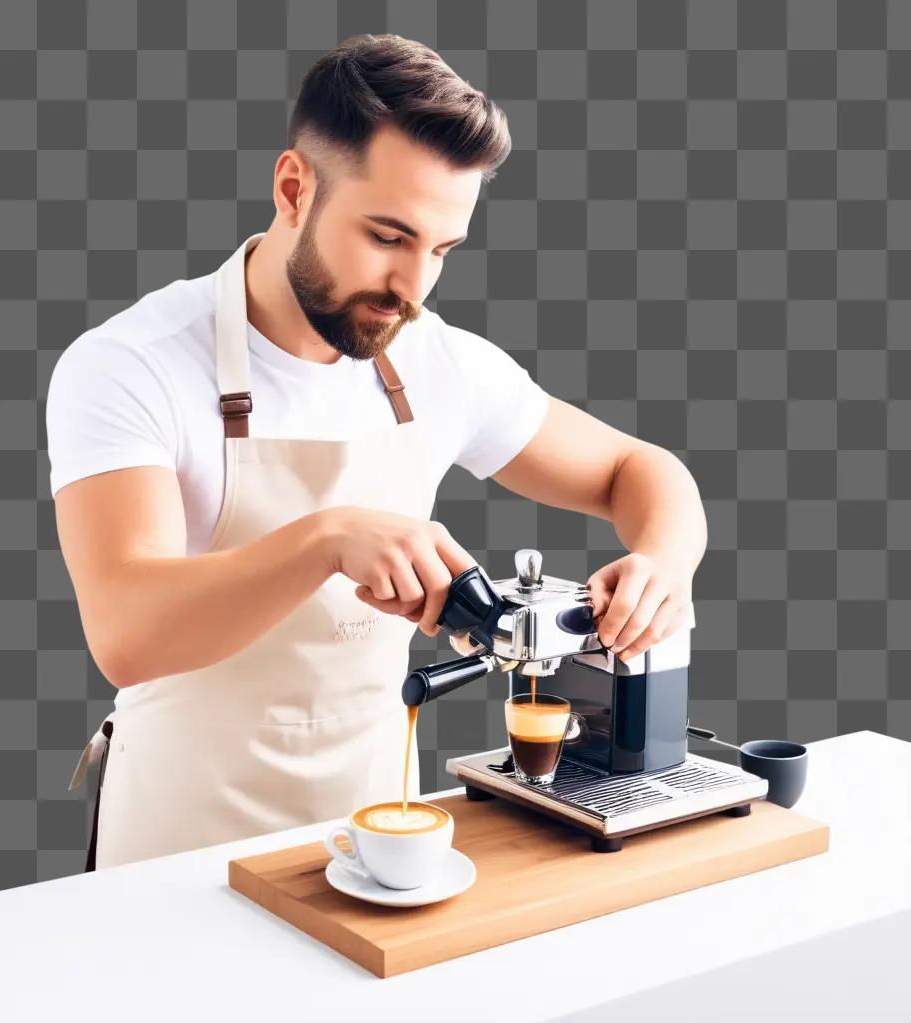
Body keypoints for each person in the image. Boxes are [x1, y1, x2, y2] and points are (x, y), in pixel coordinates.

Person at [49, 35, 706, 870]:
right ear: (294, 189)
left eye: (441, 250)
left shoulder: (437, 361)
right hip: (178, 841)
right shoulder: (132, 364)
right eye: (389, 236)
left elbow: (638, 471)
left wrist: (663, 563)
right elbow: (126, 633)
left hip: (373, 836)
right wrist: (327, 537)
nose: (414, 287)